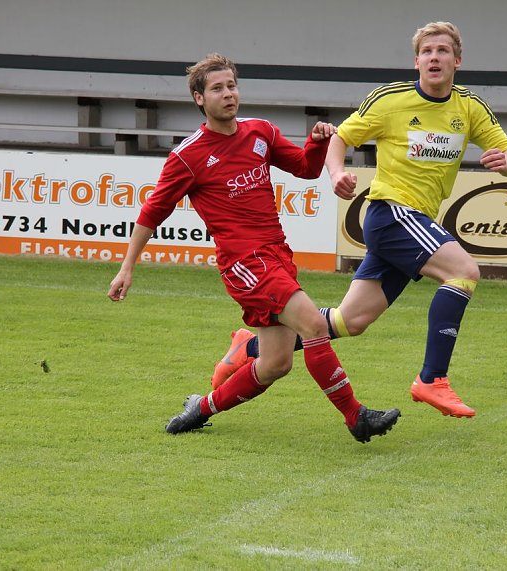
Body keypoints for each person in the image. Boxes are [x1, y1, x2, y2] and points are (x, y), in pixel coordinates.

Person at [211, 22, 507, 418]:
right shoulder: (391, 100)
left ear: (457, 60)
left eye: (443, 51)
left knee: (350, 321)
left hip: (417, 220)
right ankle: (432, 379)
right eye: (427, 52)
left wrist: (506, 164)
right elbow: (340, 137)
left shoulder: (469, 107)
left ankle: (249, 347)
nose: (434, 58)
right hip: (391, 213)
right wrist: (336, 173)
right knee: (463, 271)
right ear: (417, 61)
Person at [108, 53, 400, 443]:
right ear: (199, 98)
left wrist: (316, 143)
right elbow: (152, 212)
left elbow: (306, 168)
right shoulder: (188, 155)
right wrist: (127, 267)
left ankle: (201, 408)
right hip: (244, 263)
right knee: (314, 325)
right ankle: (356, 417)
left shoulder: (259, 131)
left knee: (276, 364)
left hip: (277, 253)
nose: (228, 94)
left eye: (232, 86)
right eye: (218, 89)